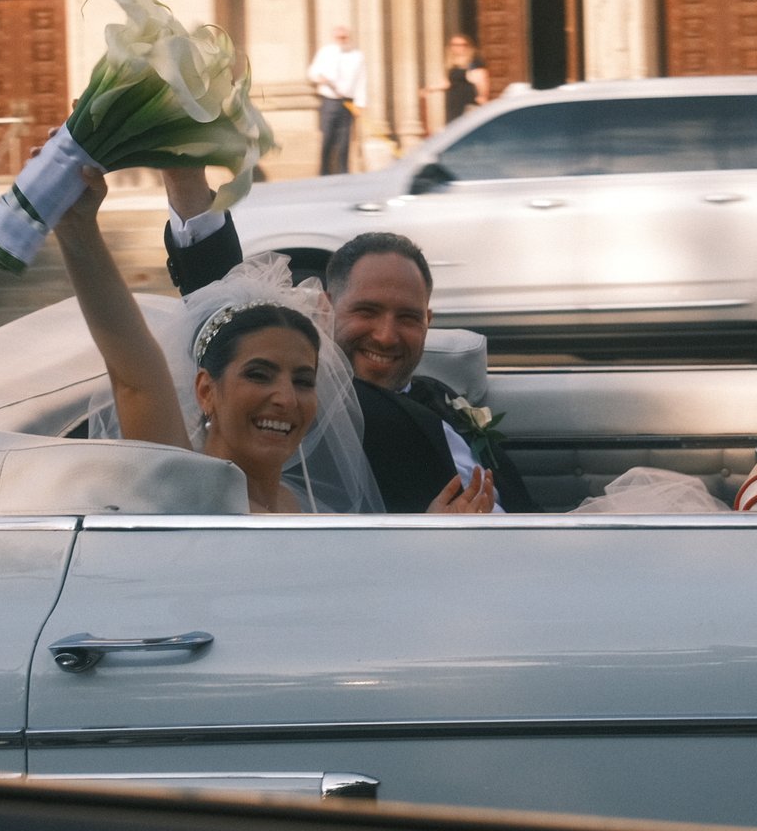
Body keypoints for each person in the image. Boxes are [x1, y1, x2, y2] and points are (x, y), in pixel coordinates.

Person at [54, 164, 474, 515]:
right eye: (259, 374)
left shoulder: (305, 507)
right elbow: (133, 370)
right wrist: (77, 230)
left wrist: (427, 536)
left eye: (304, 380)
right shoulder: (183, 485)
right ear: (206, 390)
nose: (286, 398)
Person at [159, 168, 531, 513]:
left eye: (407, 317)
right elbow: (218, 296)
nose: (386, 336)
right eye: (366, 312)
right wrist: (185, 177)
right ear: (326, 310)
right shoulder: (308, 410)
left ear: (428, 321)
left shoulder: (439, 393)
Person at [307, 25, 367, 176]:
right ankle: (324, 172)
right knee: (327, 137)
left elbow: (361, 80)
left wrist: (360, 103)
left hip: (347, 101)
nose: (342, 40)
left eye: (344, 37)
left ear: (349, 37)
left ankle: (343, 172)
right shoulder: (326, 52)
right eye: (339, 37)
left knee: (344, 140)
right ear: (334, 38)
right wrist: (319, 78)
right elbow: (313, 72)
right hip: (329, 100)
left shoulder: (357, 56)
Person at [424, 33, 491, 129]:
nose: (458, 48)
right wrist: (429, 89)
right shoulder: (451, 63)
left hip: (467, 99)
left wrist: (482, 96)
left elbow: (481, 79)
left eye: (461, 45)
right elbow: (447, 83)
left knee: (467, 126)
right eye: (454, 45)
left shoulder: (473, 62)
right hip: (454, 100)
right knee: (453, 126)